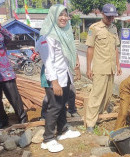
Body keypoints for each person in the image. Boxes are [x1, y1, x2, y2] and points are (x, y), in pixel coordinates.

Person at [35, 4, 81, 153]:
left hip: (64, 75)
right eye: (60, 15)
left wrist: (75, 68)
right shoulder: (47, 35)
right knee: (54, 107)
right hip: (53, 77)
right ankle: (48, 139)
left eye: (65, 15)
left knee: (63, 105)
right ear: (53, 16)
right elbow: (48, 61)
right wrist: (54, 82)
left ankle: (63, 130)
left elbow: (68, 55)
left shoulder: (63, 33)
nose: (63, 18)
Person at [85, 3, 122, 133]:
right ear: (102, 14)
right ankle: (90, 123)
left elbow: (116, 48)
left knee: (107, 95)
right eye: (108, 17)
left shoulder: (114, 28)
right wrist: (89, 68)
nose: (111, 19)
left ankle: (99, 116)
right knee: (96, 95)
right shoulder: (94, 28)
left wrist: (118, 65)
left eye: (113, 17)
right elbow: (90, 49)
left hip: (111, 68)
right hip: (100, 68)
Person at [0, 24, 28, 129]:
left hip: (5, 70)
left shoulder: (1, 32)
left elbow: (10, 37)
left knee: (13, 96)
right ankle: (3, 120)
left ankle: (22, 118)